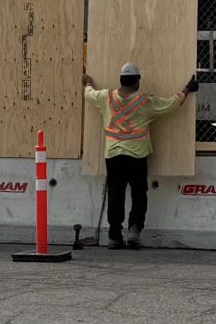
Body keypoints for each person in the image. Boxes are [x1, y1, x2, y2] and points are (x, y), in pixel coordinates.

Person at [82, 62, 198, 249]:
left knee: (115, 195)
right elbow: (170, 104)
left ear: (121, 80)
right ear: (137, 81)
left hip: (113, 155)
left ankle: (114, 235)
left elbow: (88, 94)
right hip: (137, 156)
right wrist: (187, 89)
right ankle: (134, 230)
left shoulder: (106, 97)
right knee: (139, 194)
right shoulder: (145, 102)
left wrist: (87, 82)